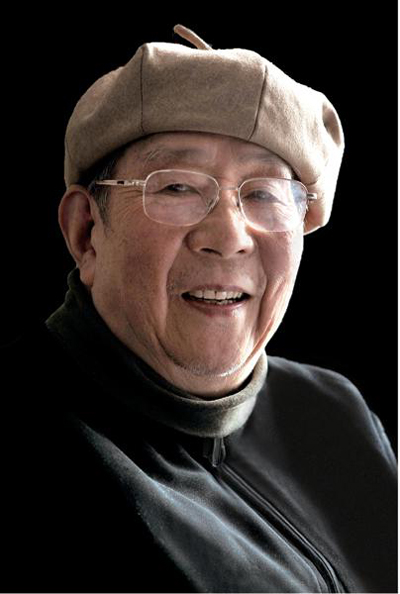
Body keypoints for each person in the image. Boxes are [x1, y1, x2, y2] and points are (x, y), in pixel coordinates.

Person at [1, 24, 396, 593]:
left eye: (264, 193)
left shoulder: (332, 411)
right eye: (178, 188)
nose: (228, 236)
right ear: (86, 232)